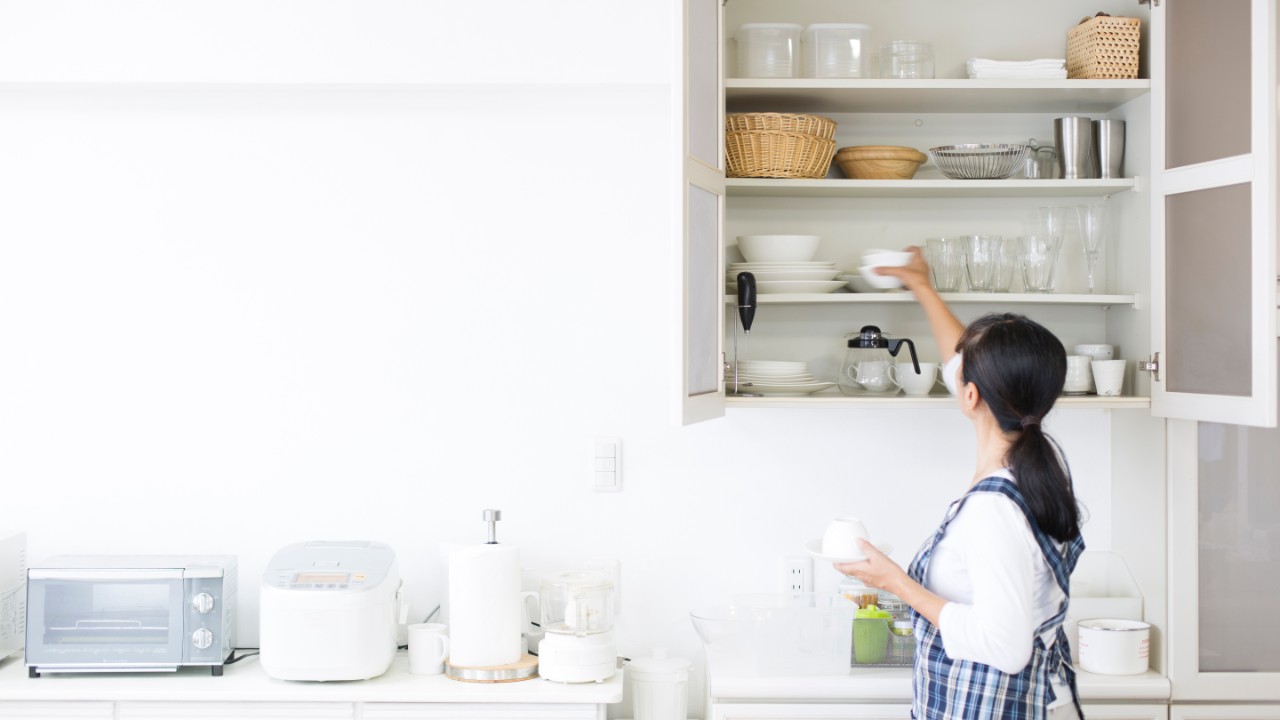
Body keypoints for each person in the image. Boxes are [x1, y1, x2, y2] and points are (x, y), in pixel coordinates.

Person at [835, 247, 1086, 720]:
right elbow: (964, 369)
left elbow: (1005, 647)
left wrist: (895, 581)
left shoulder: (994, 510)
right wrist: (922, 287)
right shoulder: (1036, 475)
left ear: (972, 396)